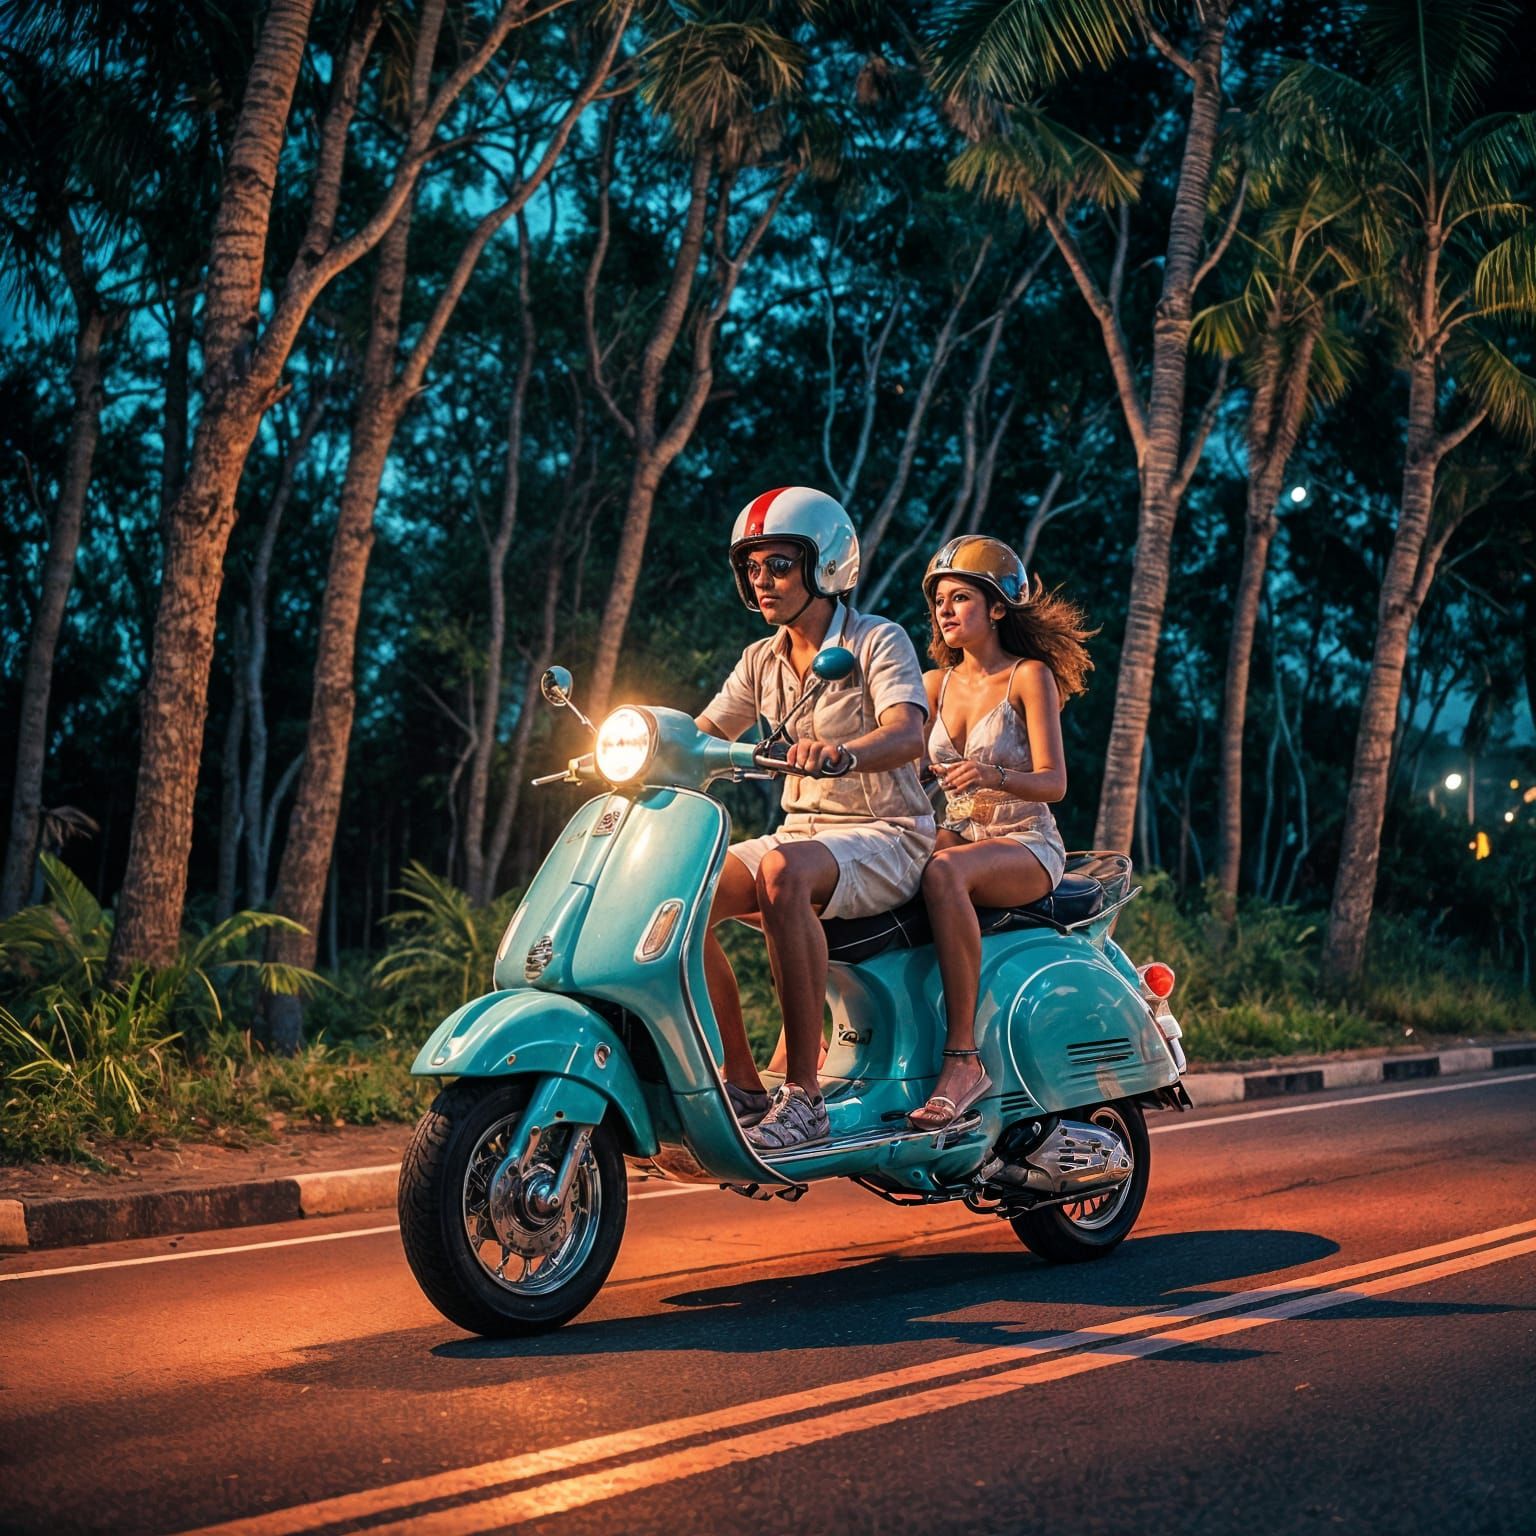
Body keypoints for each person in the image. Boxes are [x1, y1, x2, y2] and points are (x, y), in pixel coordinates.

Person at [696, 486, 934, 1150]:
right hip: (805, 837)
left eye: (779, 564)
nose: (762, 580)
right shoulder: (760, 660)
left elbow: (907, 733)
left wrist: (843, 755)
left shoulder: (875, 640)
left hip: (888, 835)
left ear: (824, 564)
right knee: (681, 901)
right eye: (752, 566)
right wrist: (646, 752)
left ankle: (804, 1096)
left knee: (779, 872)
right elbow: (707, 732)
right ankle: (742, 1081)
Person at [911, 535, 1094, 1130]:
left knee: (940, 871)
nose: (944, 610)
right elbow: (903, 772)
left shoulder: (1027, 677)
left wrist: (992, 773)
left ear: (996, 607)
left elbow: (1054, 782)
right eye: (939, 599)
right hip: (959, 836)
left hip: (1025, 844)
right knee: (888, 866)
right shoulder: (934, 685)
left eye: (960, 597)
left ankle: (964, 1059)